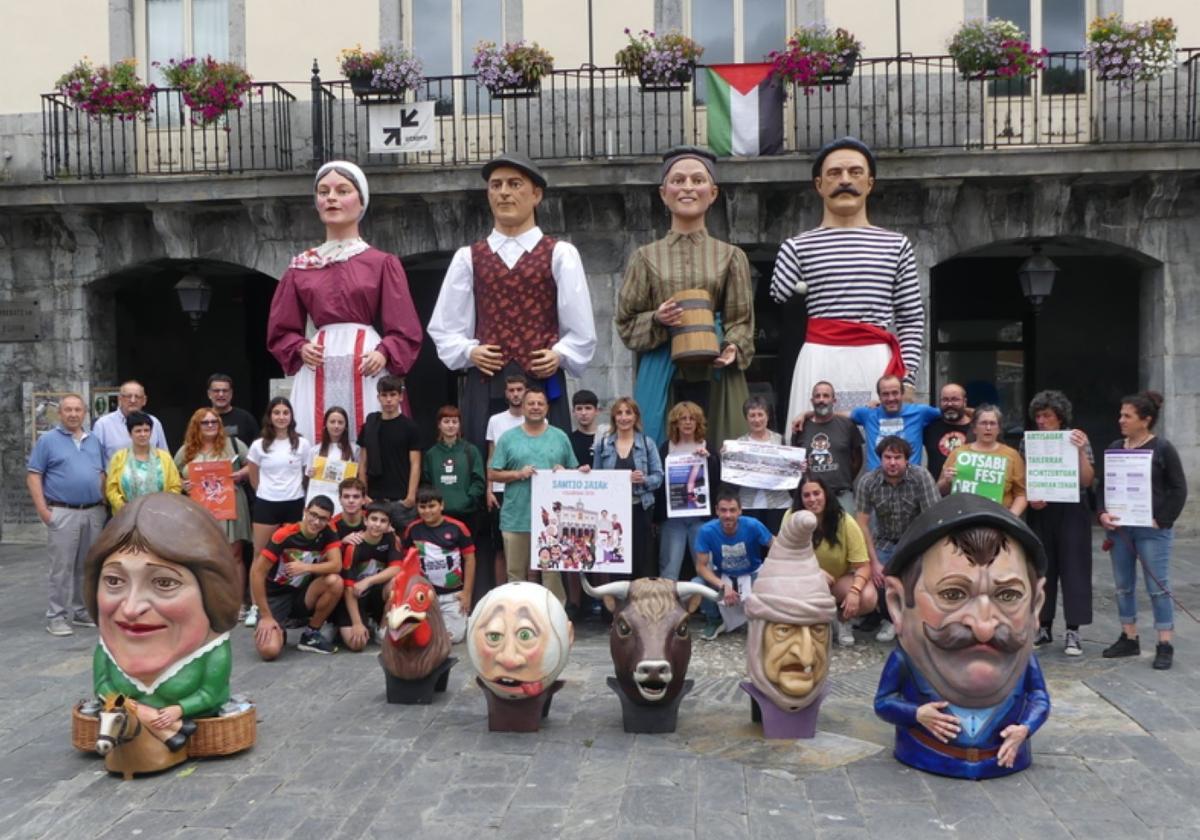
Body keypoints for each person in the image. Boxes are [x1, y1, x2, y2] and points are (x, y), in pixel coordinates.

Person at [874, 495, 1049, 780]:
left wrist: (1025, 729)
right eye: (952, 595)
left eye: (1008, 596)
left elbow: (1038, 697)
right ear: (896, 604)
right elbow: (883, 703)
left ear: (1036, 605)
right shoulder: (904, 662)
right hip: (925, 752)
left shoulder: (1023, 659)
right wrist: (916, 714)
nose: (984, 628)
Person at [429, 152, 596, 450]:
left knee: (547, 471)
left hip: (542, 383)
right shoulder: (468, 258)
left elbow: (581, 328)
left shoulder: (560, 254)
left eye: (514, 184)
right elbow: (444, 327)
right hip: (485, 383)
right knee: (487, 466)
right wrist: (470, 351)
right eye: (496, 185)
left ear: (536, 194)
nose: (503, 192)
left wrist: (559, 354)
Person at [267, 160, 422, 444]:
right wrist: (300, 347)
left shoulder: (381, 263)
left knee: (372, 434)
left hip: (368, 361)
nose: (332, 198)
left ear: (361, 202)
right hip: (318, 363)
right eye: (324, 191)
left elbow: (405, 327)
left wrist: (385, 352)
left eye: (342, 190)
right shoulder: (301, 266)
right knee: (317, 434)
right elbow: (281, 330)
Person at [769, 136, 924, 420]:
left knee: (880, 446)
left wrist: (908, 377)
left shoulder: (896, 244)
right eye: (834, 173)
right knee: (815, 439)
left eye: (855, 172)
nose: (844, 180)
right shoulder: (796, 247)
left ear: (869, 183)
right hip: (820, 357)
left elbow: (911, 317)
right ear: (819, 185)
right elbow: (780, 301)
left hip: (876, 359)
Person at [616, 146, 754, 448]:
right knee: (657, 445)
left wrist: (732, 346)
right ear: (664, 193)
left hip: (715, 363)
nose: (688, 187)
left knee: (721, 446)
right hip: (662, 359)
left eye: (697, 180)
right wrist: (657, 318)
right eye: (678, 180)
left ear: (713, 192)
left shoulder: (731, 256)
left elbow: (741, 320)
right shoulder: (645, 257)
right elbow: (625, 322)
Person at [86, 493, 241, 752]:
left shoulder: (211, 653)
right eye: (114, 581)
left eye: (165, 583)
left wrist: (179, 708)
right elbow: (102, 686)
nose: (132, 608)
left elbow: (213, 694)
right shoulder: (107, 650)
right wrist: (137, 709)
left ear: (211, 591)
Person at [1097, 391, 1188, 670]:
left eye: (1127, 416)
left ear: (1145, 420)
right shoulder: (1115, 446)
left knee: (1157, 587)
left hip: (1151, 530)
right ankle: (1129, 637)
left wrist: (1162, 519)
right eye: (1121, 414)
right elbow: (1104, 485)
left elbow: (1178, 488)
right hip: (1121, 529)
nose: (1120, 420)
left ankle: (1164, 643)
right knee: (1123, 586)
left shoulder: (1162, 449)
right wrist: (1102, 513)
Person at [488, 386, 584, 604]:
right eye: (530, 403)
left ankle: (555, 615)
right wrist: (517, 474)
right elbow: (493, 472)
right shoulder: (508, 438)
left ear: (547, 408)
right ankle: (518, 613)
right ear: (522, 407)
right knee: (516, 573)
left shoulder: (559, 437)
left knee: (551, 571)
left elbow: (574, 472)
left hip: (552, 519)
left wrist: (565, 473)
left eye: (540, 404)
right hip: (516, 515)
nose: (535, 407)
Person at [26, 393, 106, 636]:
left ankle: (82, 611)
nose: (73, 414)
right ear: (60, 413)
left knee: (88, 565)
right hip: (63, 511)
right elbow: (33, 475)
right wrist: (43, 510)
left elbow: (101, 472)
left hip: (93, 512)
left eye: (77, 410)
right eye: (68, 410)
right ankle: (57, 616)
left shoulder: (94, 440)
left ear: (85, 413)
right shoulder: (48, 440)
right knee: (61, 567)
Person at [1024, 390, 1094, 656]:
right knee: (1043, 568)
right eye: (1038, 416)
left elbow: (1087, 480)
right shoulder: (1028, 442)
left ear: (1060, 417)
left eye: (1047, 416)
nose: (1042, 421)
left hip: (1073, 508)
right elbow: (1026, 475)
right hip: (1042, 510)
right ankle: (1044, 626)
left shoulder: (1076, 438)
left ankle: (1073, 630)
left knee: (1075, 568)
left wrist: (1079, 451)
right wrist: (1032, 497)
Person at [854, 436, 941, 642]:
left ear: (906, 459)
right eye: (887, 457)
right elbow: (862, 524)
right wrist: (873, 563)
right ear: (880, 459)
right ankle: (888, 618)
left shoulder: (921, 477)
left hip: (915, 540)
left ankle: (916, 619)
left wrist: (922, 552)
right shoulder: (868, 482)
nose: (892, 462)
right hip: (884, 540)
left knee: (916, 577)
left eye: (897, 457)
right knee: (879, 577)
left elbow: (933, 517)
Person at [175, 407, 254, 625]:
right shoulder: (186, 450)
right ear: (196, 426)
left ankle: (238, 604)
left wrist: (241, 474)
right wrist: (183, 484)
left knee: (234, 555)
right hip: (200, 509)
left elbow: (254, 465)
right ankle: (205, 603)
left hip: (229, 504)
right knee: (203, 555)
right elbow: (172, 475)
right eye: (205, 423)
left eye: (214, 422)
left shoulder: (233, 445)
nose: (210, 426)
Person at [249, 494, 344, 658]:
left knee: (335, 582)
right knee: (269, 651)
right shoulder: (284, 535)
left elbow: (336, 565)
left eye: (322, 519)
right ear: (305, 511)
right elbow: (258, 573)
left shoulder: (329, 532)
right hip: (275, 596)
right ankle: (278, 629)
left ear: (328, 520)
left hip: (302, 593)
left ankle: (310, 634)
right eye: (313, 515)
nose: (316, 522)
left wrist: (305, 567)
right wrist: (265, 615)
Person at [792, 476, 876, 647]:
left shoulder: (845, 521)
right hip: (802, 580)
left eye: (817, 493)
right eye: (806, 495)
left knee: (867, 597)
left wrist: (854, 591)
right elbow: (784, 557)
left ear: (826, 494)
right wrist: (813, 571)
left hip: (836, 581)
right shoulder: (792, 518)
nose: (812, 499)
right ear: (800, 499)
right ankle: (814, 622)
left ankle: (842, 620)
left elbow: (863, 566)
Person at [592, 397, 663, 579]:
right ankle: (618, 604)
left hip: (640, 508)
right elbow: (597, 477)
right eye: (619, 413)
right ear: (614, 417)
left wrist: (643, 480)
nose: (624, 417)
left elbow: (659, 476)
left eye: (628, 413)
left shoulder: (647, 443)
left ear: (636, 416)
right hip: (614, 512)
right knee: (616, 560)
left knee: (642, 559)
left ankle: (642, 604)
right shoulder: (603, 444)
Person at [692, 489, 773, 640]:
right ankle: (714, 620)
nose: (728, 515)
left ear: (740, 511)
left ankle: (766, 621)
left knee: (775, 581)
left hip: (752, 573)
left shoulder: (753, 525)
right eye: (723, 510)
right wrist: (722, 585)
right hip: (724, 573)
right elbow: (701, 567)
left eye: (732, 510)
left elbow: (776, 546)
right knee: (697, 583)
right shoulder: (706, 531)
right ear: (716, 510)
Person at [247, 397, 312, 580]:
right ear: (270, 416)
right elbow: (254, 478)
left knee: (293, 554)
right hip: (267, 505)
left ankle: (289, 600)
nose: (281, 417)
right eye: (277, 413)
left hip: (294, 503)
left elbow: (307, 473)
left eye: (285, 413)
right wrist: (268, 492)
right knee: (260, 555)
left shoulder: (302, 443)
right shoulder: (258, 445)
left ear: (291, 416)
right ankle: (255, 604)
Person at [401, 487, 477, 643]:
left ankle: (454, 621)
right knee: (412, 635)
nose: (427, 511)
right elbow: (406, 560)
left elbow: (470, 560)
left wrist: (467, 594)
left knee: (454, 637)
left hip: (452, 595)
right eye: (422, 507)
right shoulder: (412, 529)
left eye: (432, 506)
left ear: (441, 505)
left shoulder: (458, 527)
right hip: (424, 595)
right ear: (417, 508)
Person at [657, 401, 718, 581]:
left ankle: (709, 609)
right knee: (669, 566)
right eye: (682, 418)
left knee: (707, 566)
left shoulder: (708, 446)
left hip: (701, 518)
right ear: (675, 423)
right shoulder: (665, 448)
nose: (688, 422)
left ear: (698, 422)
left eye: (692, 418)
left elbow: (717, 481)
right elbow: (659, 484)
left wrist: (710, 460)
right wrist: (657, 517)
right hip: (672, 519)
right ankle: (667, 607)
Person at [333, 501, 404, 652]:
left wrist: (368, 580)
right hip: (354, 596)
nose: (377, 524)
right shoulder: (354, 546)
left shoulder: (391, 539)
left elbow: (397, 568)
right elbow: (348, 587)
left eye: (383, 521)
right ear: (365, 520)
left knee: (396, 583)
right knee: (357, 644)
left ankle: (382, 627)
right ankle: (340, 624)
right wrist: (357, 623)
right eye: (374, 519)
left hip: (375, 594)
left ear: (389, 525)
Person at [938, 404, 1027, 517]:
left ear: (999, 428)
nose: (988, 428)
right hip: (962, 518)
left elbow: (1021, 494)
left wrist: (1010, 518)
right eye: (984, 423)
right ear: (974, 428)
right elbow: (939, 490)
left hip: (1000, 520)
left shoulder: (1012, 455)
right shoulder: (958, 453)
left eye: (992, 423)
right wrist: (947, 481)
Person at [484, 375, 528, 591]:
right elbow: (491, 456)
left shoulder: (539, 419)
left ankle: (531, 593)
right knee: (500, 547)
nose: (516, 394)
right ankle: (501, 594)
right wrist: (489, 490)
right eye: (511, 390)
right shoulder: (496, 420)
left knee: (529, 547)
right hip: (501, 490)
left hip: (529, 490)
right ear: (505, 393)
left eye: (519, 389)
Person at [791, 381, 864, 513]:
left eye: (826, 396)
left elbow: (857, 459)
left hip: (841, 495)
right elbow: (794, 462)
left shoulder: (847, 425)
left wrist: (844, 479)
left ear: (834, 400)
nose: (821, 400)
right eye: (817, 396)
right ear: (812, 400)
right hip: (811, 497)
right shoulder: (800, 427)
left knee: (845, 532)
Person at [357, 376, 421, 523]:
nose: (389, 399)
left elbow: (415, 464)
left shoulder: (410, 427)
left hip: (401, 499)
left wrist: (411, 496)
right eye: (384, 395)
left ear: (400, 397)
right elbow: (363, 463)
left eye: (393, 395)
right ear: (378, 397)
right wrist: (363, 494)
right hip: (374, 499)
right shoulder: (369, 426)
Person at [848, 375, 941, 471]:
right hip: (876, 482)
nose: (891, 398)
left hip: (911, 481)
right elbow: (838, 416)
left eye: (895, 393)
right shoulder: (867, 414)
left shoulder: (921, 412)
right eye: (885, 394)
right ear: (879, 396)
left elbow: (949, 413)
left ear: (902, 393)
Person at [731, 395, 792, 535]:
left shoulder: (781, 440)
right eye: (752, 415)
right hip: (748, 503)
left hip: (778, 503)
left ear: (768, 416)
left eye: (760, 414)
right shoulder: (738, 444)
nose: (757, 419)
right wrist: (728, 457)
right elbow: (732, 474)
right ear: (746, 418)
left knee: (776, 546)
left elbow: (791, 468)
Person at [422, 405, 485, 541]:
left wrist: (468, 499)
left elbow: (479, 480)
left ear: (459, 425)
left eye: (454, 421)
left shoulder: (470, 451)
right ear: (439, 425)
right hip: (439, 515)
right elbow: (426, 483)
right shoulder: (431, 454)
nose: (450, 426)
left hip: (467, 514)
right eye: (446, 421)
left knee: (466, 555)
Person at [105, 411, 183, 511]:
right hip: (127, 515)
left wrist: (163, 507)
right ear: (130, 433)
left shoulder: (164, 457)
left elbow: (175, 486)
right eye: (138, 431)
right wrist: (125, 508)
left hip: (160, 514)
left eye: (146, 430)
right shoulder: (119, 458)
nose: (143, 434)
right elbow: (111, 489)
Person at [92, 380, 169, 468]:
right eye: (128, 396)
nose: (133, 400)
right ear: (119, 399)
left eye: (137, 397)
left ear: (144, 400)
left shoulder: (154, 423)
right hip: (116, 480)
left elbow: (165, 458)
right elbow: (95, 462)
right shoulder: (103, 425)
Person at [924, 382, 974, 479]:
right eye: (945, 400)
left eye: (955, 399)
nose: (949, 404)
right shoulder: (930, 427)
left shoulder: (977, 428)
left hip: (970, 490)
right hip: (937, 491)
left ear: (965, 402)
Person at [206, 373, 259, 448]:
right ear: (209, 394)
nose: (221, 394)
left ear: (231, 393)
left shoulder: (245, 419)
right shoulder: (201, 419)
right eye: (216, 391)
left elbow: (257, 450)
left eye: (225, 391)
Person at [569, 389, 607, 468]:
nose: (583, 413)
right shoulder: (568, 440)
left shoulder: (607, 439)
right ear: (573, 412)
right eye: (579, 409)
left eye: (588, 408)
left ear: (596, 411)